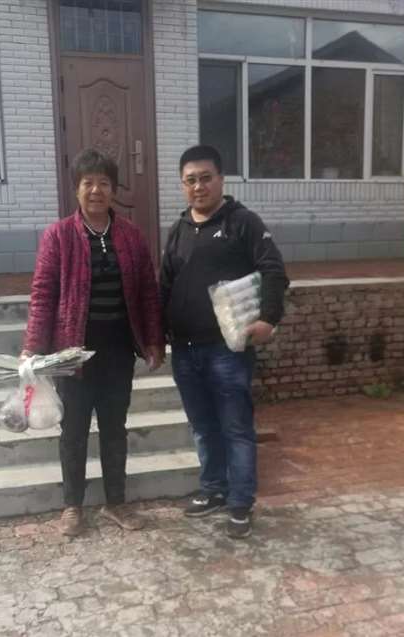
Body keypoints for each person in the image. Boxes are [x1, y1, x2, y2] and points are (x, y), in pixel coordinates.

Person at [21, 148, 165, 537]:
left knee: (115, 430)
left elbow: (148, 293)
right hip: (71, 355)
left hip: (117, 353)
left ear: (114, 189)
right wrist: (32, 348)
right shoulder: (58, 236)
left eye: (104, 183)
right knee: (73, 432)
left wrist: (154, 340)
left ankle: (116, 503)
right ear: (77, 189)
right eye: (88, 183)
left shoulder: (131, 236)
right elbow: (43, 294)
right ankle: (72, 506)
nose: (96, 190)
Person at [160, 144, 289, 539]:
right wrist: (156, 335)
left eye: (205, 178)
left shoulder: (243, 223)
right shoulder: (178, 231)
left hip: (227, 351)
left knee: (235, 428)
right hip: (185, 350)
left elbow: (274, 270)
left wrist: (268, 318)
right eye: (190, 180)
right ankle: (213, 490)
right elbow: (164, 286)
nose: (198, 186)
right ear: (182, 185)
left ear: (220, 179)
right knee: (202, 427)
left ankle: (240, 503)